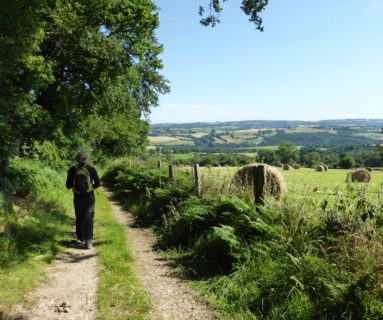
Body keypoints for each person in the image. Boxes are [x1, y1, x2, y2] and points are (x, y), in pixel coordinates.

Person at [66, 151, 100, 249]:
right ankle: (89, 242)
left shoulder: (72, 170)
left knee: (79, 217)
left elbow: (68, 186)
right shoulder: (92, 169)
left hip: (77, 197)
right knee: (89, 217)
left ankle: (81, 238)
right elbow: (98, 184)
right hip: (89, 197)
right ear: (87, 159)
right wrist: (90, 187)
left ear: (77, 159)